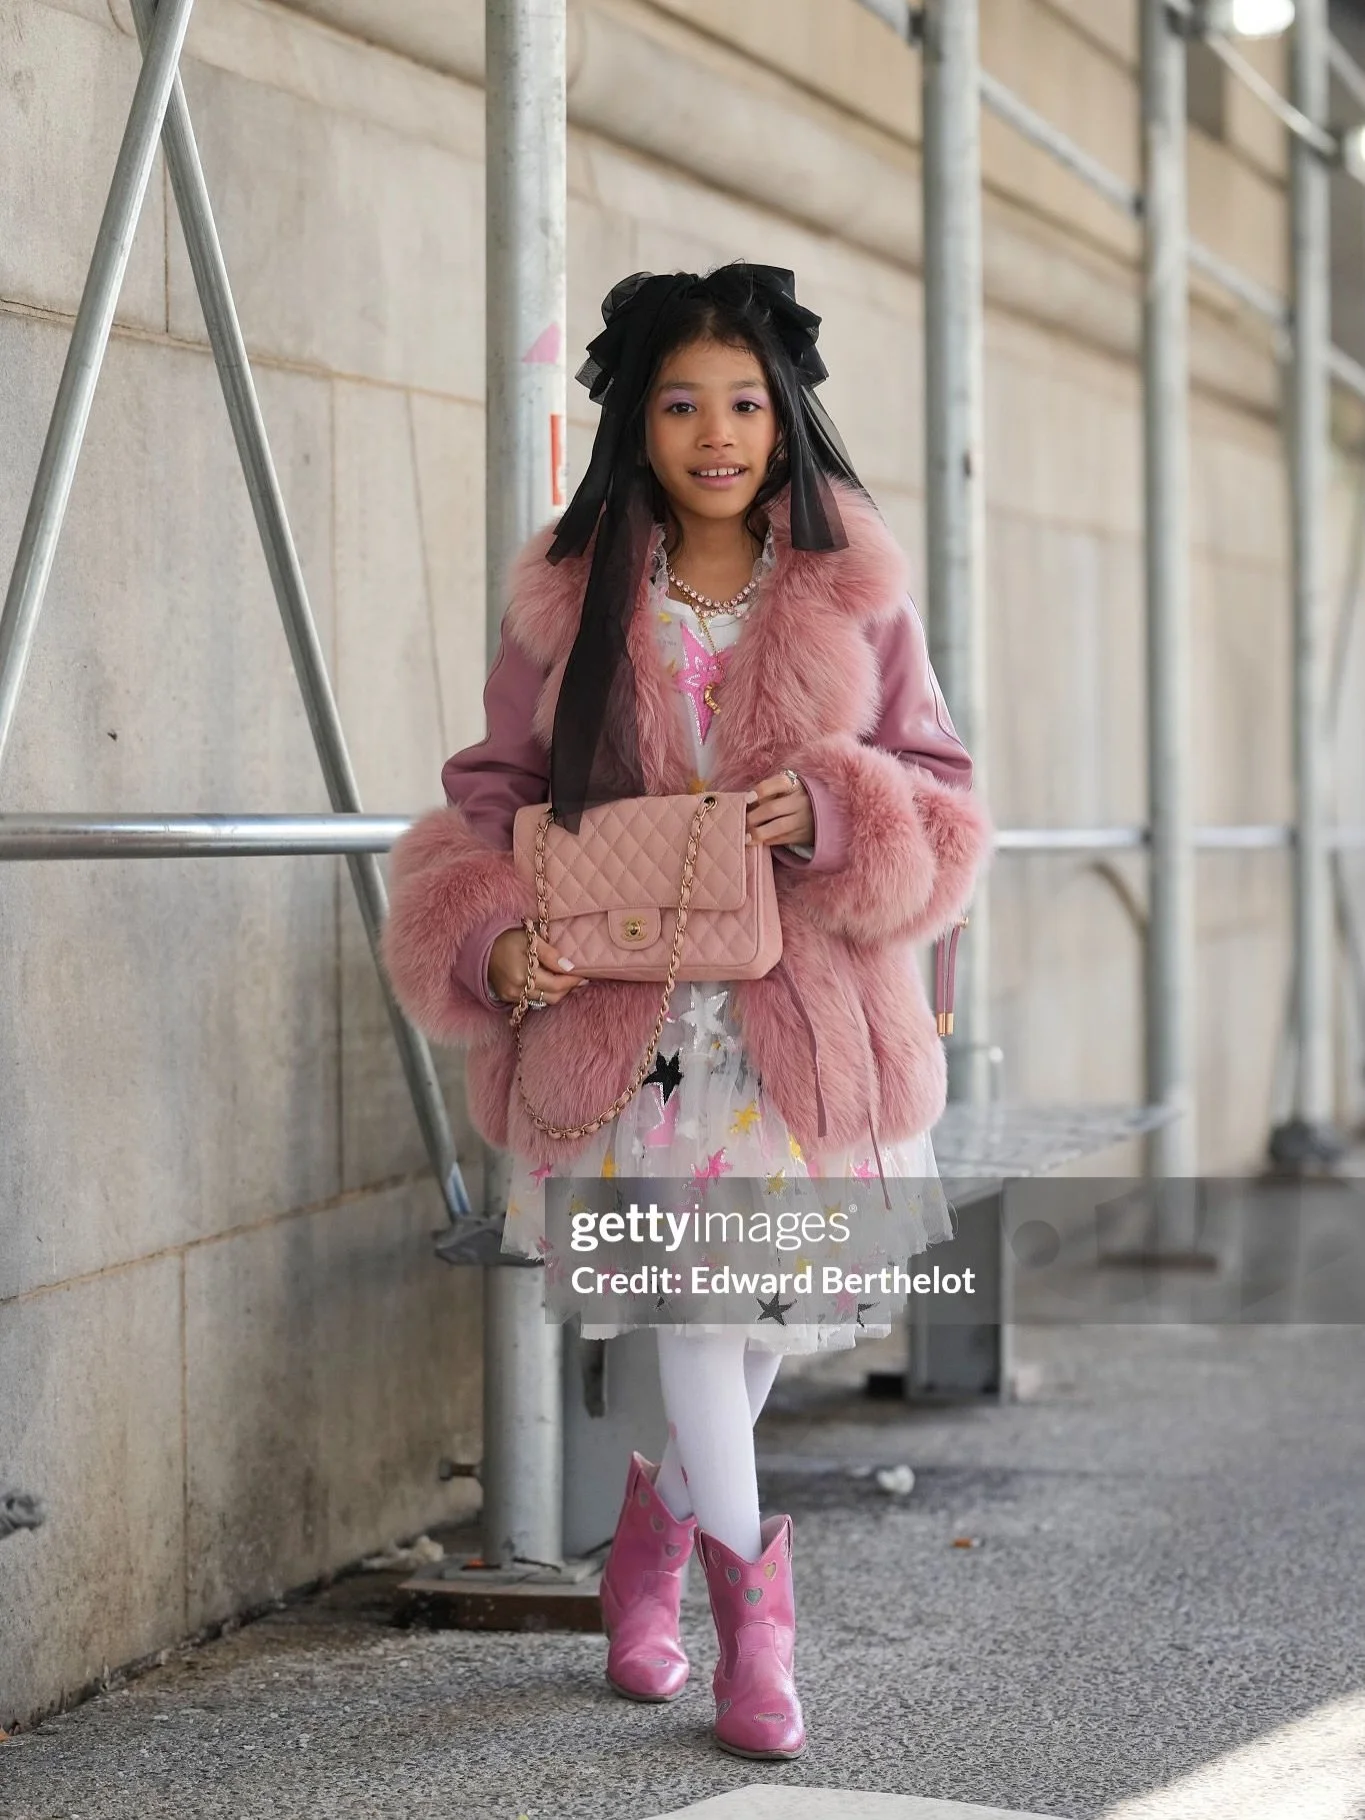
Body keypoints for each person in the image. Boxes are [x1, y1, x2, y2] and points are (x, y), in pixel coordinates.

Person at [380, 264, 993, 1762]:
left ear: (784, 419)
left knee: (748, 1324)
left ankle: (649, 1552)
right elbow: (493, 794)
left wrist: (839, 812)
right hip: (632, 1026)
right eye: (679, 404)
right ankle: (756, 1644)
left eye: (742, 403)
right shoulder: (567, 597)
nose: (715, 434)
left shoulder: (854, 587)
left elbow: (944, 796)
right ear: (635, 425)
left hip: (804, 1017)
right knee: (711, 1321)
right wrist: (489, 942)